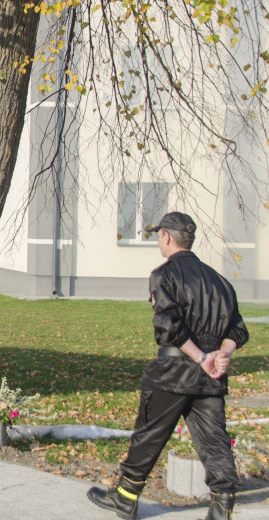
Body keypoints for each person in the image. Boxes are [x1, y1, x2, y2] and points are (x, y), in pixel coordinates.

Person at [87, 212, 248, 520]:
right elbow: (237, 330)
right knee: (214, 438)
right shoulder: (220, 281)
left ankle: (125, 498)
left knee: (149, 432)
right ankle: (222, 506)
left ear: (167, 238)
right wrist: (221, 354)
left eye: (158, 234)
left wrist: (202, 357)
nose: (158, 240)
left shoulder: (164, 275)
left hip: (174, 371)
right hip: (210, 375)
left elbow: (169, 329)